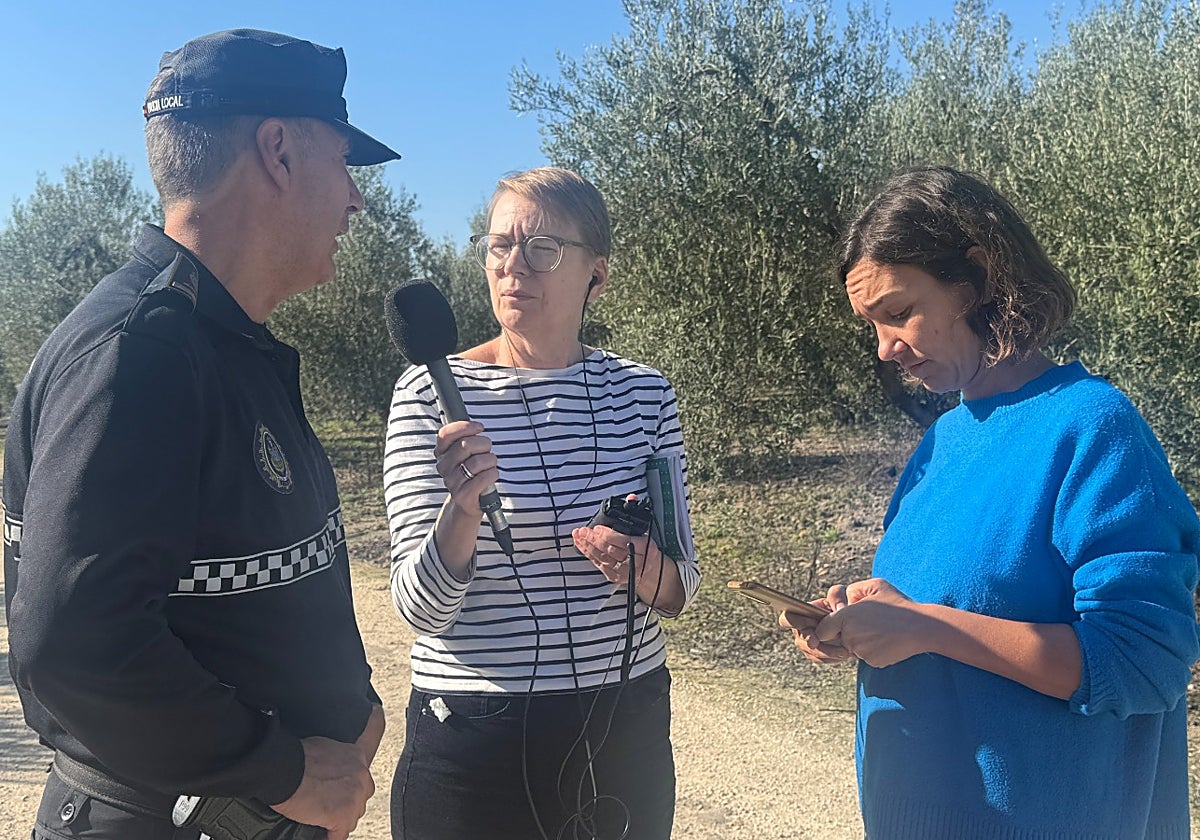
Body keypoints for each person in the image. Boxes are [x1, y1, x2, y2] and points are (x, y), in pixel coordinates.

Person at [2, 29, 400, 840]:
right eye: (343, 161)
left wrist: (350, 704)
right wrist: (281, 771)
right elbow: (74, 641)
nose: (356, 199)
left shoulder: (224, 345)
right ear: (278, 152)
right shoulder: (140, 355)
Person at [780, 165, 1200, 839]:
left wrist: (925, 626)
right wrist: (870, 622)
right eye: (872, 325)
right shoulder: (943, 440)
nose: (885, 349)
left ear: (977, 278)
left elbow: (1142, 662)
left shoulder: (1092, 427)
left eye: (899, 313)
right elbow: (951, 608)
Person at [383, 166, 702, 840]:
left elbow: (679, 588)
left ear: (597, 274)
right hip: (473, 738)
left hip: (622, 730)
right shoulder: (428, 393)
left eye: (542, 248)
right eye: (499, 245)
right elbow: (419, 609)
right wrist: (461, 511)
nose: (513, 266)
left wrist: (640, 566)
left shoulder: (645, 395)